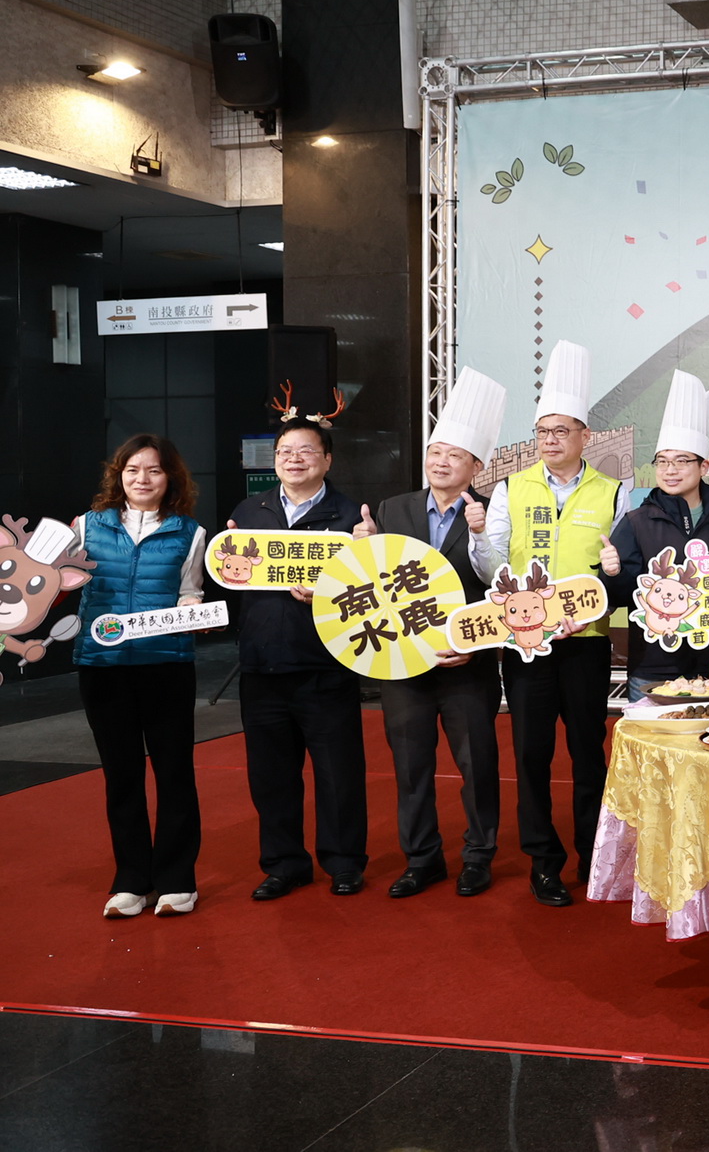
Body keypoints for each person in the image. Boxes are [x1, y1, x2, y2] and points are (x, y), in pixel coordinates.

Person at [470, 340, 633, 907]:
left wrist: (608, 582)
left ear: (585, 436)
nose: (551, 440)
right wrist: (477, 538)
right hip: (526, 644)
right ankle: (544, 862)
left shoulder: (614, 492)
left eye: (562, 431)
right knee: (531, 754)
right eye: (543, 432)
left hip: (587, 644)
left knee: (589, 753)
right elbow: (491, 566)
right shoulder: (511, 488)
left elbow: (620, 570)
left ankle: (593, 854)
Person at [352, 369, 507, 899]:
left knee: (477, 765)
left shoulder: (492, 512)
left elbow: (503, 585)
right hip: (403, 664)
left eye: (455, 455)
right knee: (411, 766)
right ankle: (421, 859)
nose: (441, 462)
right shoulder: (392, 509)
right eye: (435, 452)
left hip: (468, 664)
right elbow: (372, 580)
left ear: (476, 466)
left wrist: (475, 645)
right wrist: (362, 546)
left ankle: (478, 856)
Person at [227, 389, 367, 900]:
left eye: (306, 450)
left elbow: (371, 592)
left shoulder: (351, 517)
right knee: (271, 777)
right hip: (261, 667)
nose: (293, 459)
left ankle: (344, 862)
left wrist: (360, 561)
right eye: (284, 451)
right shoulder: (251, 511)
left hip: (326, 666)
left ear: (327, 460)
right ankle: (285, 864)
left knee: (338, 773)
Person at [73, 436, 207, 918]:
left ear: (170, 477)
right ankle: (131, 880)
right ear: (119, 475)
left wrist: (193, 609)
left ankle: (177, 880)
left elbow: (190, 590)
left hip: (166, 664)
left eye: (153, 470)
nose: (142, 479)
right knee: (121, 775)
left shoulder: (190, 532)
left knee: (174, 773)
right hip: (102, 667)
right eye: (132, 470)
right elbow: (53, 581)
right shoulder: (85, 526)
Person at [606, 371, 709, 697]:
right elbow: (619, 596)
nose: (670, 470)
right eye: (662, 462)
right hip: (651, 667)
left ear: (705, 466)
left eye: (681, 461)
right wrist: (612, 573)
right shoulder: (636, 521)